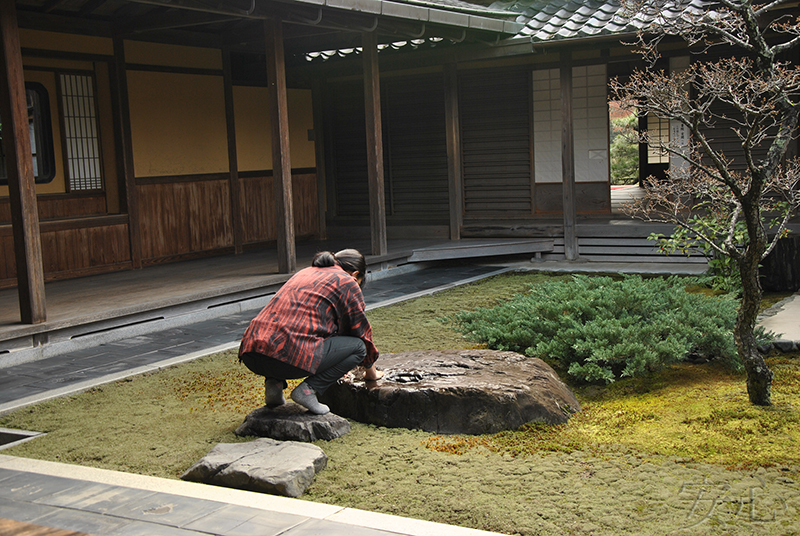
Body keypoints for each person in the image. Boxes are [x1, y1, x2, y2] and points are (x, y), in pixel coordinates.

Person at [238, 248, 383, 415]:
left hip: (251, 352)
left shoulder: (305, 272)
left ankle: (274, 385)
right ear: (355, 274)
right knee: (358, 347)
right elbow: (360, 332)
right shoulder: (347, 281)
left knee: (286, 331)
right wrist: (371, 372)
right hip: (287, 359)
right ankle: (308, 391)